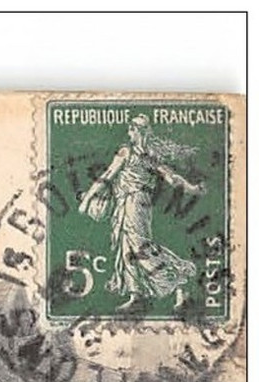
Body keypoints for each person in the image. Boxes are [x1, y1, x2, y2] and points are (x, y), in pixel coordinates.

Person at [78, 114, 205, 309]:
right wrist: (193, 188)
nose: (129, 132)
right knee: (126, 246)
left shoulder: (128, 153)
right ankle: (135, 294)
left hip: (134, 203)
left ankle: (178, 281)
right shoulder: (148, 157)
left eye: (131, 129)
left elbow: (107, 176)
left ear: (138, 131)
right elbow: (173, 178)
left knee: (139, 247)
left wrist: (86, 200)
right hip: (131, 203)